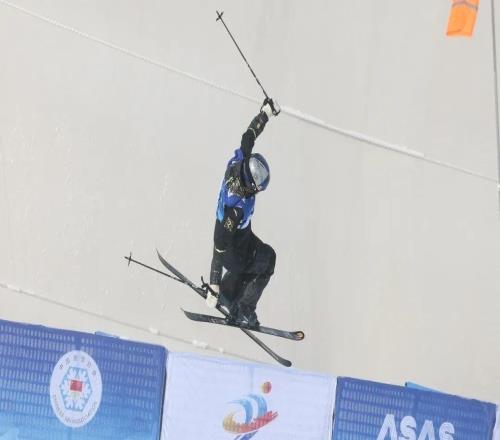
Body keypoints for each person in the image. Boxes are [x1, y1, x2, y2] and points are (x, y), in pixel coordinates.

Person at [205, 98, 279, 327]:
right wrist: (213, 283)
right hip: (233, 249)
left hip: (241, 238)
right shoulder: (236, 208)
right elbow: (219, 241)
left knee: (257, 256)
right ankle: (245, 309)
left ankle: (230, 292)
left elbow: (249, 136)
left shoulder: (240, 161)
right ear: (251, 185)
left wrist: (265, 114)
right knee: (268, 260)